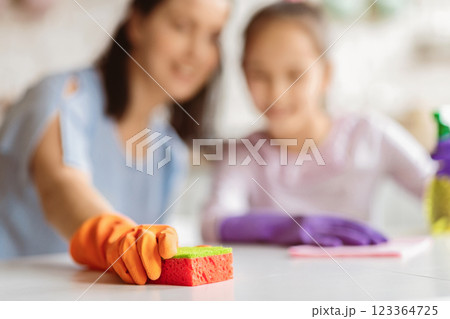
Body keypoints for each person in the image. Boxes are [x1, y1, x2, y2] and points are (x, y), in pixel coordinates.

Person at [0, 0, 230, 285]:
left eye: (213, 36)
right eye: (181, 26)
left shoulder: (170, 153)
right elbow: (59, 189)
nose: (196, 52)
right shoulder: (63, 97)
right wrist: (117, 237)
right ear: (137, 24)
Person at [202, 1, 435, 247]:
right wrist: (281, 227)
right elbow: (213, 222)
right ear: (243, 74)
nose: (277, 93)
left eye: (295, 75)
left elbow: (434, 189)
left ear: (325, 75)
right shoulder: (244, 153)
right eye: (259, 75)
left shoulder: (368, 134)